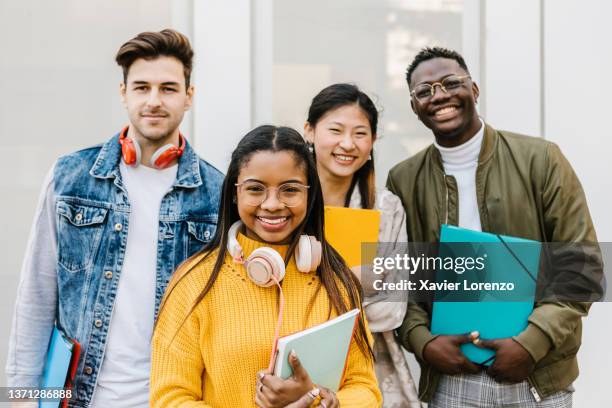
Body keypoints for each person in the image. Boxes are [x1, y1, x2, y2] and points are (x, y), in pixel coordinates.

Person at [5, 29, 224, 407]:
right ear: (123, 93)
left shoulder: (217, 192)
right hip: (79, 400)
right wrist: (22, 400)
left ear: (189, 97)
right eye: (141, 87)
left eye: (168, 88)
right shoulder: (70, 176)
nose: (154, 101)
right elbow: (37, 295)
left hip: (172, 398)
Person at [387, 46, 599, 407]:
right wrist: (423, 340)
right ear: (414, 106)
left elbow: (580, 265)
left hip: (538, 374)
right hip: (452, 376)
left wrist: (531, 343)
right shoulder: (404, 179)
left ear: (474, 90)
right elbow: (400, 277)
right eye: (425, 91)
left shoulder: (541, 159)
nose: (439, 96)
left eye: (450, 83)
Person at [150, 125, 382, 407]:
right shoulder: (194, 281)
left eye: (290, 189)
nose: (272, 204)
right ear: (235, 193)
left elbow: (365, 388)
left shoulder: (337, 280)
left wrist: (326, 403)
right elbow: (169, 398)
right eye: (256, 189)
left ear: (310, 195)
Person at [304, 83, 421, 408]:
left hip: (370, 361)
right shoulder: (287, 204)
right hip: (294, 360)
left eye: (359, 133)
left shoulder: (384, 208)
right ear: (310, 131)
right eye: (335, 130)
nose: (347, 144)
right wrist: (358, 281)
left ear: (372, 142)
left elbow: (391, 309)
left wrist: (314, 293)